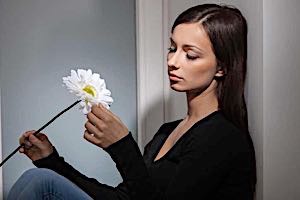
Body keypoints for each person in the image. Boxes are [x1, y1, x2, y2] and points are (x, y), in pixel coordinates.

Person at [8, 3, 256, 200]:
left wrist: (122, 146)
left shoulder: (224, 137)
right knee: (39, 178)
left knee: (40, 182)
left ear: (222, 67)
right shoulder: (166, 133)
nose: (173, 61)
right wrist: (50, 160)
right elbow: (125, 197)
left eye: (190, 55)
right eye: (172, 48)